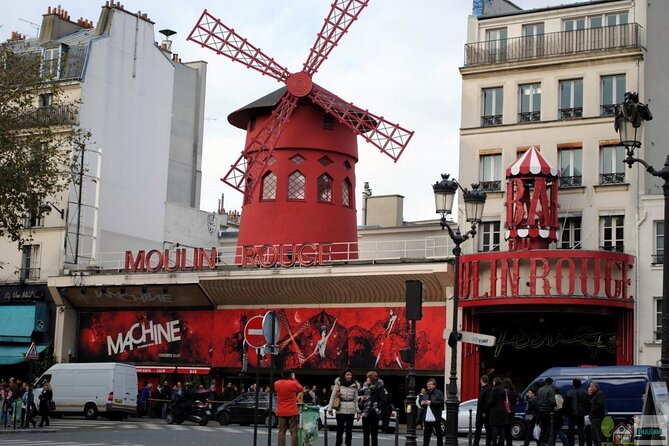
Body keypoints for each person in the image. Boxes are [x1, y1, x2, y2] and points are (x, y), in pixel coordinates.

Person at [327, 368, 360, 446]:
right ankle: (338, 444)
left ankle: (348, 444)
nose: (349, 376)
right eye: (347, 374)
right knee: (340, 430)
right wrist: (330, 408)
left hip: (351, 410)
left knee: (349, 431)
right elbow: (332, 396)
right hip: (340, 409)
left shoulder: (355, 385)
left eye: (350, 375)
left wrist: (358, 411)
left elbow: (356, 400)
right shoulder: (338, 384)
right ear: (344, 375)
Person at [274, 368, 303, 446]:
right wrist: (294, 379)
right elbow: (301, 389)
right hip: (291, 410)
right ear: (290, 375)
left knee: (281, 431)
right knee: (294, 431)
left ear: (282, 374)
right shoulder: (292, 383)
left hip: (281, 410)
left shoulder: (276, 384)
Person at [359, 371, 385, 446]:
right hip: (366, 413)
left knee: (374, 435)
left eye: (368, 377)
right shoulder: (365, 387)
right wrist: (361, 399)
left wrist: (375, 406)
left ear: (372, 378)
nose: (367, 379)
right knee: (365, 435)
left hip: (374, 414)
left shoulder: (379, 388)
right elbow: (358, 396)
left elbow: (383, 401)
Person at [420, 378, 444, 446]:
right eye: (428, 384)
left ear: (434, 385)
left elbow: (441, 402)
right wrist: (422, 403)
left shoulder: (439, 393)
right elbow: (421, 401)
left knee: (438, 432)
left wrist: (431, 402)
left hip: (436, 416)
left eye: (430, 384)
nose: (428, 386)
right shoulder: (425, 393)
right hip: (427, 416)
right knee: (426, 433)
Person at [565, 378, 589, 446]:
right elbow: (588, 403)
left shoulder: (569, 392)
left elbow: (565, 404)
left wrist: (565, 412)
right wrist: (586, 411)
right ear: (580, 384)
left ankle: (571, 444)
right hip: (581, 414)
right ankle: (581, 444)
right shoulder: (584, 392)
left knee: (571, 430)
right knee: (581, 430)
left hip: (571, 414)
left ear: (573, 384)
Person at [488, 377, 509, 446]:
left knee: (494, 428)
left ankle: (494, 443)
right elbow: (504, 400)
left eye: (493, 382)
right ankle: (501, 443)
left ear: (495, 382)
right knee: (501, 429)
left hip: (495, 411)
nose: (493, 383)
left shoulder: (494, 390)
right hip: (502, 410)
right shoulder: (503, 390)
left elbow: (491, 401)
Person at [536, 378, 556, 446]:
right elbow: (552, 402)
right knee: (549, 427)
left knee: (543, 427)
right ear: (551, 382)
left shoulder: (540, 389)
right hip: (547, 411)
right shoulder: (551, 390)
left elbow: (537, 400)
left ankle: (541, 441)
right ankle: (546, 441)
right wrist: (554, 405)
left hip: (540, 410)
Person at [474, 375, 492, 446]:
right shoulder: (484, 389)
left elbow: (487, 402)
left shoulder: (487, 389)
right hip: (481, 412)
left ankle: (478, 444)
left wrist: (484, 411)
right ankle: (476, 444)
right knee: (479, 430)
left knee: (485, 430)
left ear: (482, 380)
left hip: (483, 413)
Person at [502, 378, 517, 446]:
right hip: (512, 411)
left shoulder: (506, 391)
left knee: (505, 430)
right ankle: (509, 443)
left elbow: (506, 402)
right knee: (508, 430)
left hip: (507, 411)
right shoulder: (513, 391)